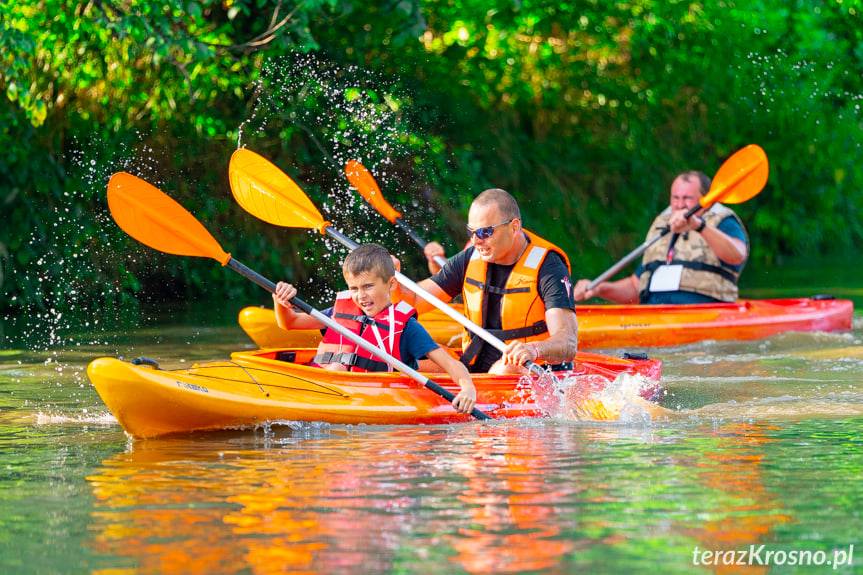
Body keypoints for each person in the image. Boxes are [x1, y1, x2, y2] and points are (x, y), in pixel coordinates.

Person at [271, 243, 477, 414]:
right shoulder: (342, 311)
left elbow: (450, 364)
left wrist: (467, 387)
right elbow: (290, 323)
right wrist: (281, 301)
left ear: (391, 284)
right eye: (354, 288)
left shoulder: (406, 327)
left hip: (373, 397)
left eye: (368, 286)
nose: (361, 296)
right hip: (327, 387)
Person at [403, 188, 578, 374]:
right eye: (471, 232)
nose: (476, 241)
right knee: (408, 353)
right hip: (473, 367)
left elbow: (567, 342)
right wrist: (388, 281)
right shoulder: (470, 258)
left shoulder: (548, 267)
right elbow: (413, 300)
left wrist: (534, 349)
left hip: (530, 371)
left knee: (506, 367)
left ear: (514, 227)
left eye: (485, 232)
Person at [573, 171, 748, 304]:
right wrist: (600, 289)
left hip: (704, 311)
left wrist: (698, 225)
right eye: (675, 198)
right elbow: (635, 287)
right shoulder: (663, 225)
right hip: (654, 314)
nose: (679, 205)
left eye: (687, 198)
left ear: (706, 200)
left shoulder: (722, 221)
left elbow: (737, 255)